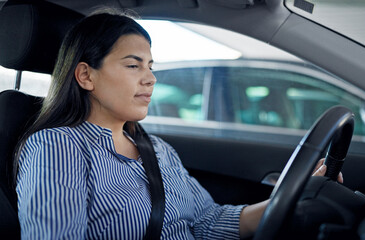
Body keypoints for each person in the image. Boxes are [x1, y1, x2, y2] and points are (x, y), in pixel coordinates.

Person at [15, 12, 341, 239]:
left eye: (151, 66)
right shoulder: (56, 148)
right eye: (133, 65)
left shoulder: (158, 150)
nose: (151, 78)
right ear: (86, 75)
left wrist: (293, 198)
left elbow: (208, 222)